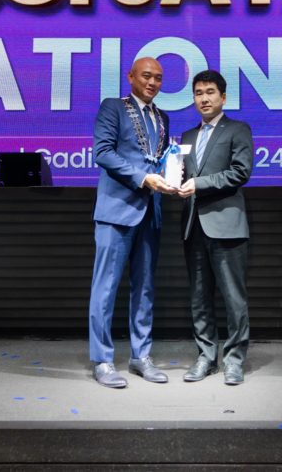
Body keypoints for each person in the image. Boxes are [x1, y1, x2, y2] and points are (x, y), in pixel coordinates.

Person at [88, 57, 177, 388]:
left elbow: (161, 160)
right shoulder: (112, 107)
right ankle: (102, 360)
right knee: (105, 288)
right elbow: (103, 152)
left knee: (145, 288)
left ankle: (141, 356)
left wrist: (172, 178)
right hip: (116, 211)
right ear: (130, 77)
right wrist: (143, 178)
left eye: (158, 78)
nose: (153, 82)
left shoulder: (162, 117)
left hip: (150, 211)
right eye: (146, 76)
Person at [177, 70, 254, 385]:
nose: (204, 98)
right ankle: (206, 357)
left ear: (223, 97)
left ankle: (234, 361)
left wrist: (198, 184)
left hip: (227, 226)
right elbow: (182, 177)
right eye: (198, 93)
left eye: (210, 92)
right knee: (199, 299)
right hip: (193, 226)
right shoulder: (186, 137)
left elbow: (240, 172)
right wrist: (173, 181)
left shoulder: (238, 129)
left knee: (234, 299)